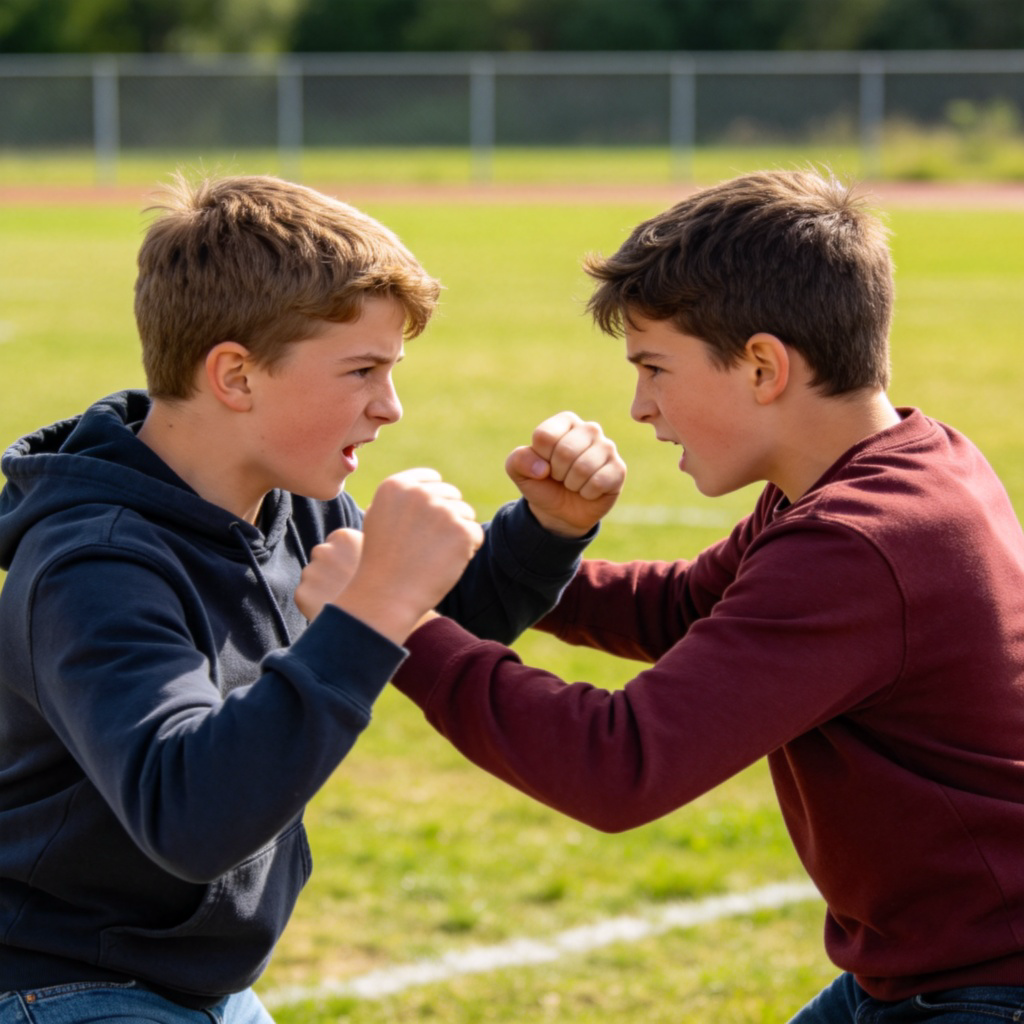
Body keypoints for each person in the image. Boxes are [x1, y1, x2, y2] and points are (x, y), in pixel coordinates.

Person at [297, 169, 1024, 1022]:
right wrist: (537, 541)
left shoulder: (859, 541)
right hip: (926, 973)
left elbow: (619, 765)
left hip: (983, 991)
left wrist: (400, 624)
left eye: (654, 367)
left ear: (762, 366)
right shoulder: (897, 466)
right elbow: (684, 609)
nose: (641, 406)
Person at [0, 174, 625, 1021]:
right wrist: (368, 609)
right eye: (363, 370)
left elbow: (431, 627)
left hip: (197, 981)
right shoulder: (94, 563)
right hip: (61, 984)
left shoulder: (296, 500)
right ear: (235, 375)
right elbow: (191, 815)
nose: (390, 407)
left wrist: (546, 530)